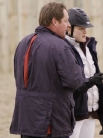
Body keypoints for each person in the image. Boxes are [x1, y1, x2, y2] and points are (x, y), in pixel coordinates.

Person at [10, 2, 84, 138]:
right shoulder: (60, 46)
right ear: (54, 21)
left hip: (26, 119)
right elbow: (74, 81)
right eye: (66, 21)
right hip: (50, 122)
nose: (68, 25)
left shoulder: (22, 43)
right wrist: (79, 68)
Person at [65, 8, 103, 138]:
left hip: (90, 112)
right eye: (81, 28)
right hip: (74, 114)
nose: (85, 31)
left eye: (86, 28)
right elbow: (70, 85)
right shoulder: (64, 49)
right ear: (69, 28)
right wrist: (91, 81)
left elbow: (98, 84)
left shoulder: (90, 48)